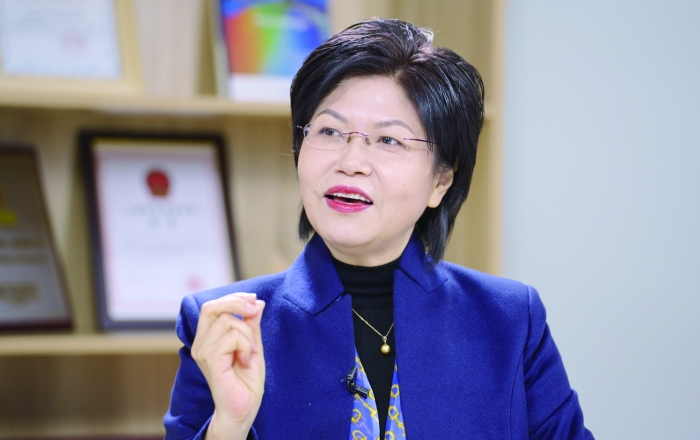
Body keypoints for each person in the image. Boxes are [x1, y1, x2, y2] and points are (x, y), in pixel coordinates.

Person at [164, 18, 594, 440]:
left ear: (441, 180)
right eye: (329, 131)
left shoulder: (511, 321)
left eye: (389, 140)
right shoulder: (227, 325)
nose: (351, 161)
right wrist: (230, 426)